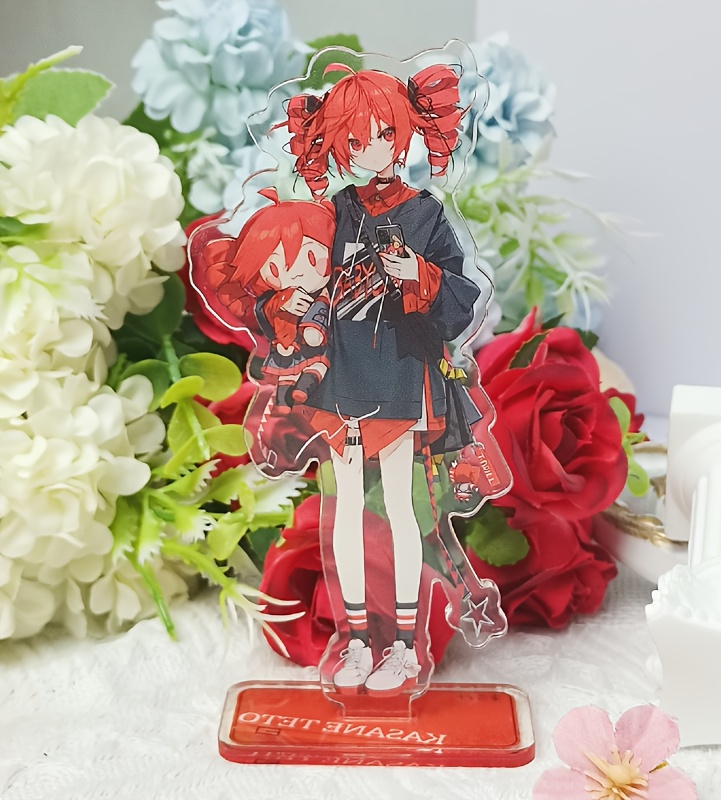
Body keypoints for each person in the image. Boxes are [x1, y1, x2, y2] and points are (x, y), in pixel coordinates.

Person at [281, 63, 489, 696]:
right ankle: (354, 640)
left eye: (384, 134)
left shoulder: (425, 214)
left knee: (401, 505)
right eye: (356, 139)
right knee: (343, 507)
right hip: (342, 374)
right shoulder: (332, 213)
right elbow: (300, 277)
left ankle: (400, 645)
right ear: (337, 144)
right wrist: (294, 306)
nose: (373, 149)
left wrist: (418, 275)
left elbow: (462, 298)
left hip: (399, 371)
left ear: (405, 134)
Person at [199, 189, 336, 412]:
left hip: (319, 347)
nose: (299, 272)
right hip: (287, 344)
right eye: (274, 268)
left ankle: (303, 388)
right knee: (288, 373)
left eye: (312, 257)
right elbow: (263, 310)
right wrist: (283, 301)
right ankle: (284, 400)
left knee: (317, 366)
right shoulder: (273, 299)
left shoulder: (328, 291)